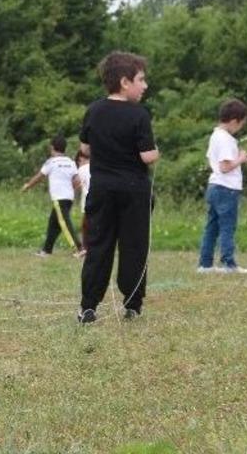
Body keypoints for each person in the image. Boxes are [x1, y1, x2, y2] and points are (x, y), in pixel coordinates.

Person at [77, 51, 160, 324]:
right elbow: (147, 156)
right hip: (134, 191)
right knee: (133, 246)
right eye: (141, 79)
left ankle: (88, 306)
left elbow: (85, 149)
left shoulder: (94, 110)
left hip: (101, 189)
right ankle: (132, 304)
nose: (145, 85)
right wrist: (156, 152)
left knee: (98, 246)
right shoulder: (139, 114)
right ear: (125, 82)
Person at [197, 99, 247, 274]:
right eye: (241, 124)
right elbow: (225, 167)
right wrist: (241, 159)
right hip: (226, 189)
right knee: (227, 227)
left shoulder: (215, 135)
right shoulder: (226, 139)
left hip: (214, 186)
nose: (240, 128)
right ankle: (229, 264)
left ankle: (205, 265)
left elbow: (212, 161)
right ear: (234, 121)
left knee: (212, 227)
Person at [21, 135, 83, 257]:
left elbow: (39, 176)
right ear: (64, 148)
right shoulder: (70, 162)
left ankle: (79, 248)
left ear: (52, 147)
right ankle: (46, 250)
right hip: (68, 198)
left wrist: (28, 186)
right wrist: (69, 189)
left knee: (64, 223)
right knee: (53, 224)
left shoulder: (51, 162)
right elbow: (77, 181)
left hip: (59, 198)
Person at [75, 149, 91, 248]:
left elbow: (76, 185)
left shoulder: (81, 169)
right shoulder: (98, 167)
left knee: (85, 225)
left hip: (88, 199)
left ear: (80, 159)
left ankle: (85, 247)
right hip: (101, 198)